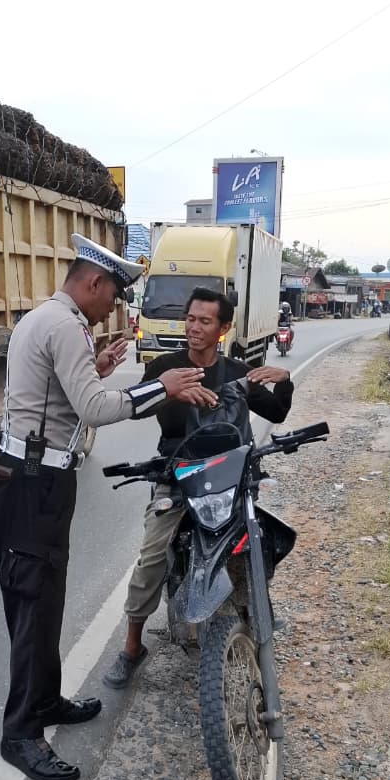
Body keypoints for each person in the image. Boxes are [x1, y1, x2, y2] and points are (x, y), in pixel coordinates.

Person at [0, 234, 216, 780]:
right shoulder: (63, 324)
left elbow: (62, 393)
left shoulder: (52, 321)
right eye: (111, 296)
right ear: (92, 282)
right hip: (31, 482)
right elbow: (92, 407)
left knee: (46, 600)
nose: (112, 307)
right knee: (32, 606)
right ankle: (20, 733)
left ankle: (43, 702)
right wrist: (161, 389)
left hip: (38, 478)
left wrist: (97, 363)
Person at [103, 286, 294, 689]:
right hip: (177, 474)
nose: (194, 327)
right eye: (190, 319)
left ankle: (257, 612)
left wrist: (285, 379)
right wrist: (167, 392)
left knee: (256, 541)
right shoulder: (165, 367)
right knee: (153, 554)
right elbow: (135, 408)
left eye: (204, 321)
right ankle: (132, 646)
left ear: (223, 328)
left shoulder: (239, 373)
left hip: (231, 476)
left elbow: (276, 411)